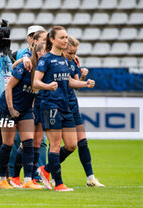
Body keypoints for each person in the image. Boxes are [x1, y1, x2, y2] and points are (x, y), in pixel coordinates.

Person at [34, 26, 95, 192]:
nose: (65, 40)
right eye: (61, 37)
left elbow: (68, 81)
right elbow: (36, 82)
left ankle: (45, 170)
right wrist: (47, 86)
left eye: (66, 37)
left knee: (72, 145)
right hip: (50, 105)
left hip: (65, 106)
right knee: (55, 144)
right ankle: (59, 184)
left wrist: (85, 83)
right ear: (52, 40)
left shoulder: (64, 60)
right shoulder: (45, 60)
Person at [43, 36, 104, 187]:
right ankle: (51, 175)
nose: (73, 55)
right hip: (55, 104)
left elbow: (74, 84)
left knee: (78, 142)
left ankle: (90, 177)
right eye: (71, 52)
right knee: (55, 144)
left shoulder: (73, 60)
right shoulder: (53, 60)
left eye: (75, 52)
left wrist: (83, 78)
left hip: (71, 104)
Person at [0, 42, 47, 190]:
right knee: (8, 143)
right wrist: (11, 109)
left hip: (25, 110)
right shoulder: (24, 66)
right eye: (46, 51)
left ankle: (28, 180)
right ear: (38, 53)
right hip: (7, 107)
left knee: (29, 142)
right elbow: (9, 88)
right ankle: (2, 179)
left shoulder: (43, 70)